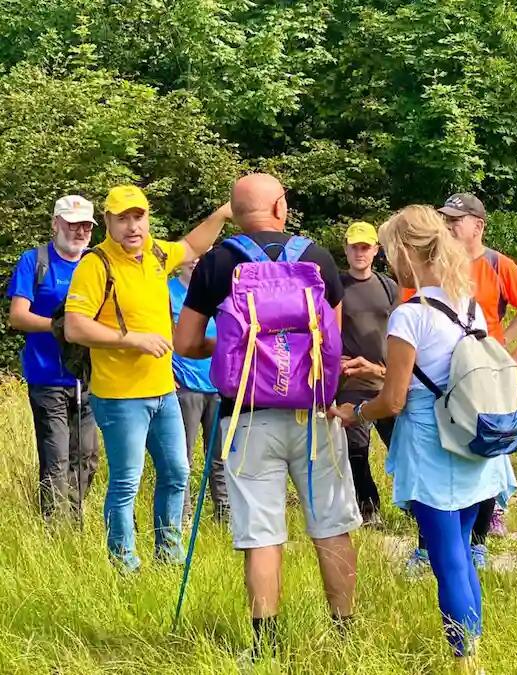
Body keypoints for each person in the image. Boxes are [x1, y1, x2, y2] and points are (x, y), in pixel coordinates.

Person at [176, 174, 358, 658]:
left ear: (235, 214)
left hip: (247, 416)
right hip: (314, 414)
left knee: (261, 532)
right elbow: (332, 343)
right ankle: (346, 638)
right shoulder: (317, 257)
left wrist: (235, 348)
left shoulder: (217, 262)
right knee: (331, 525)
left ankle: (265, 647)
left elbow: (185, 343)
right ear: (280, 207)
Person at [327, 204, 517, 665]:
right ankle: (474, 653)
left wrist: (355, 412)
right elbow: (441, 374)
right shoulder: (469, 306)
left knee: (446, 559)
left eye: (390, 250)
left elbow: (394, 400)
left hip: (434, 448)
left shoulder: (409, 315)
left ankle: (464, 660)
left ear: (406, 252)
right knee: (462, 552)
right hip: (473, 439)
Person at [64, 185, 230, 572]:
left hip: (164, 392)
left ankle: (168, 556)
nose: (132, 226)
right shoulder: (96, 264)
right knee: (127, 482)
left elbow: (191, 246)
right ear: (108, 222)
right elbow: (74, 327)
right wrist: (132, 339)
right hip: (120, 396)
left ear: (147, 218)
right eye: (122, 218)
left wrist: (223, 214)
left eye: (138, 217)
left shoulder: (156, 253)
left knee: (177, 472)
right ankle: (124, 564)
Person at [401, 193, 517, 566]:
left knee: (486, 449)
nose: (449, 226)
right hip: (438, 379)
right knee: (438, 459)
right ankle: (428, 547)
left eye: (456, 220)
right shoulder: (429, 267)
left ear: (478, 225)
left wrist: (513, 361)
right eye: (445, 220)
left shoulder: (497, 264)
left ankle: (477, 543)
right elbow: (406, 319)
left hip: (481, 380)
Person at [7, 195, 101, 523]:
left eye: (86, 225)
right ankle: (53, 527)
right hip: (46, 376)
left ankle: (73, 521)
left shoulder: (97, 262)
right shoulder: (35, 260)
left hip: (89, 376)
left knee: (87, 456)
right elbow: (17, 316)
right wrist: (60, 327)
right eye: (73, 224)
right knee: (56, 456)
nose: (80, 231)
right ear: (56, 224)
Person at [337, 221, 398, 526]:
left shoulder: (389, 287)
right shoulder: (335, 286)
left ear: (376, 250)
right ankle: (368, 508)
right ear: (345, 249)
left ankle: (415, 505)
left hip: (386, 379)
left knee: (401, 447)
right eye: (354, 247)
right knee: (357, 450)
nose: (359, 253)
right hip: (350, 382)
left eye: (365, 247)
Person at [168, 250, 229, 523]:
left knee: (220, 457)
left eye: (202, 256)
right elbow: (158, 333)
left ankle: (225, 516)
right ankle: (182, 518)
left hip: (219, 385)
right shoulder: (167, 291)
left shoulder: (220, 291)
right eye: (191, 256)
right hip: (185, 387)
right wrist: (168, 373)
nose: (195, 261)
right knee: (183, 458)